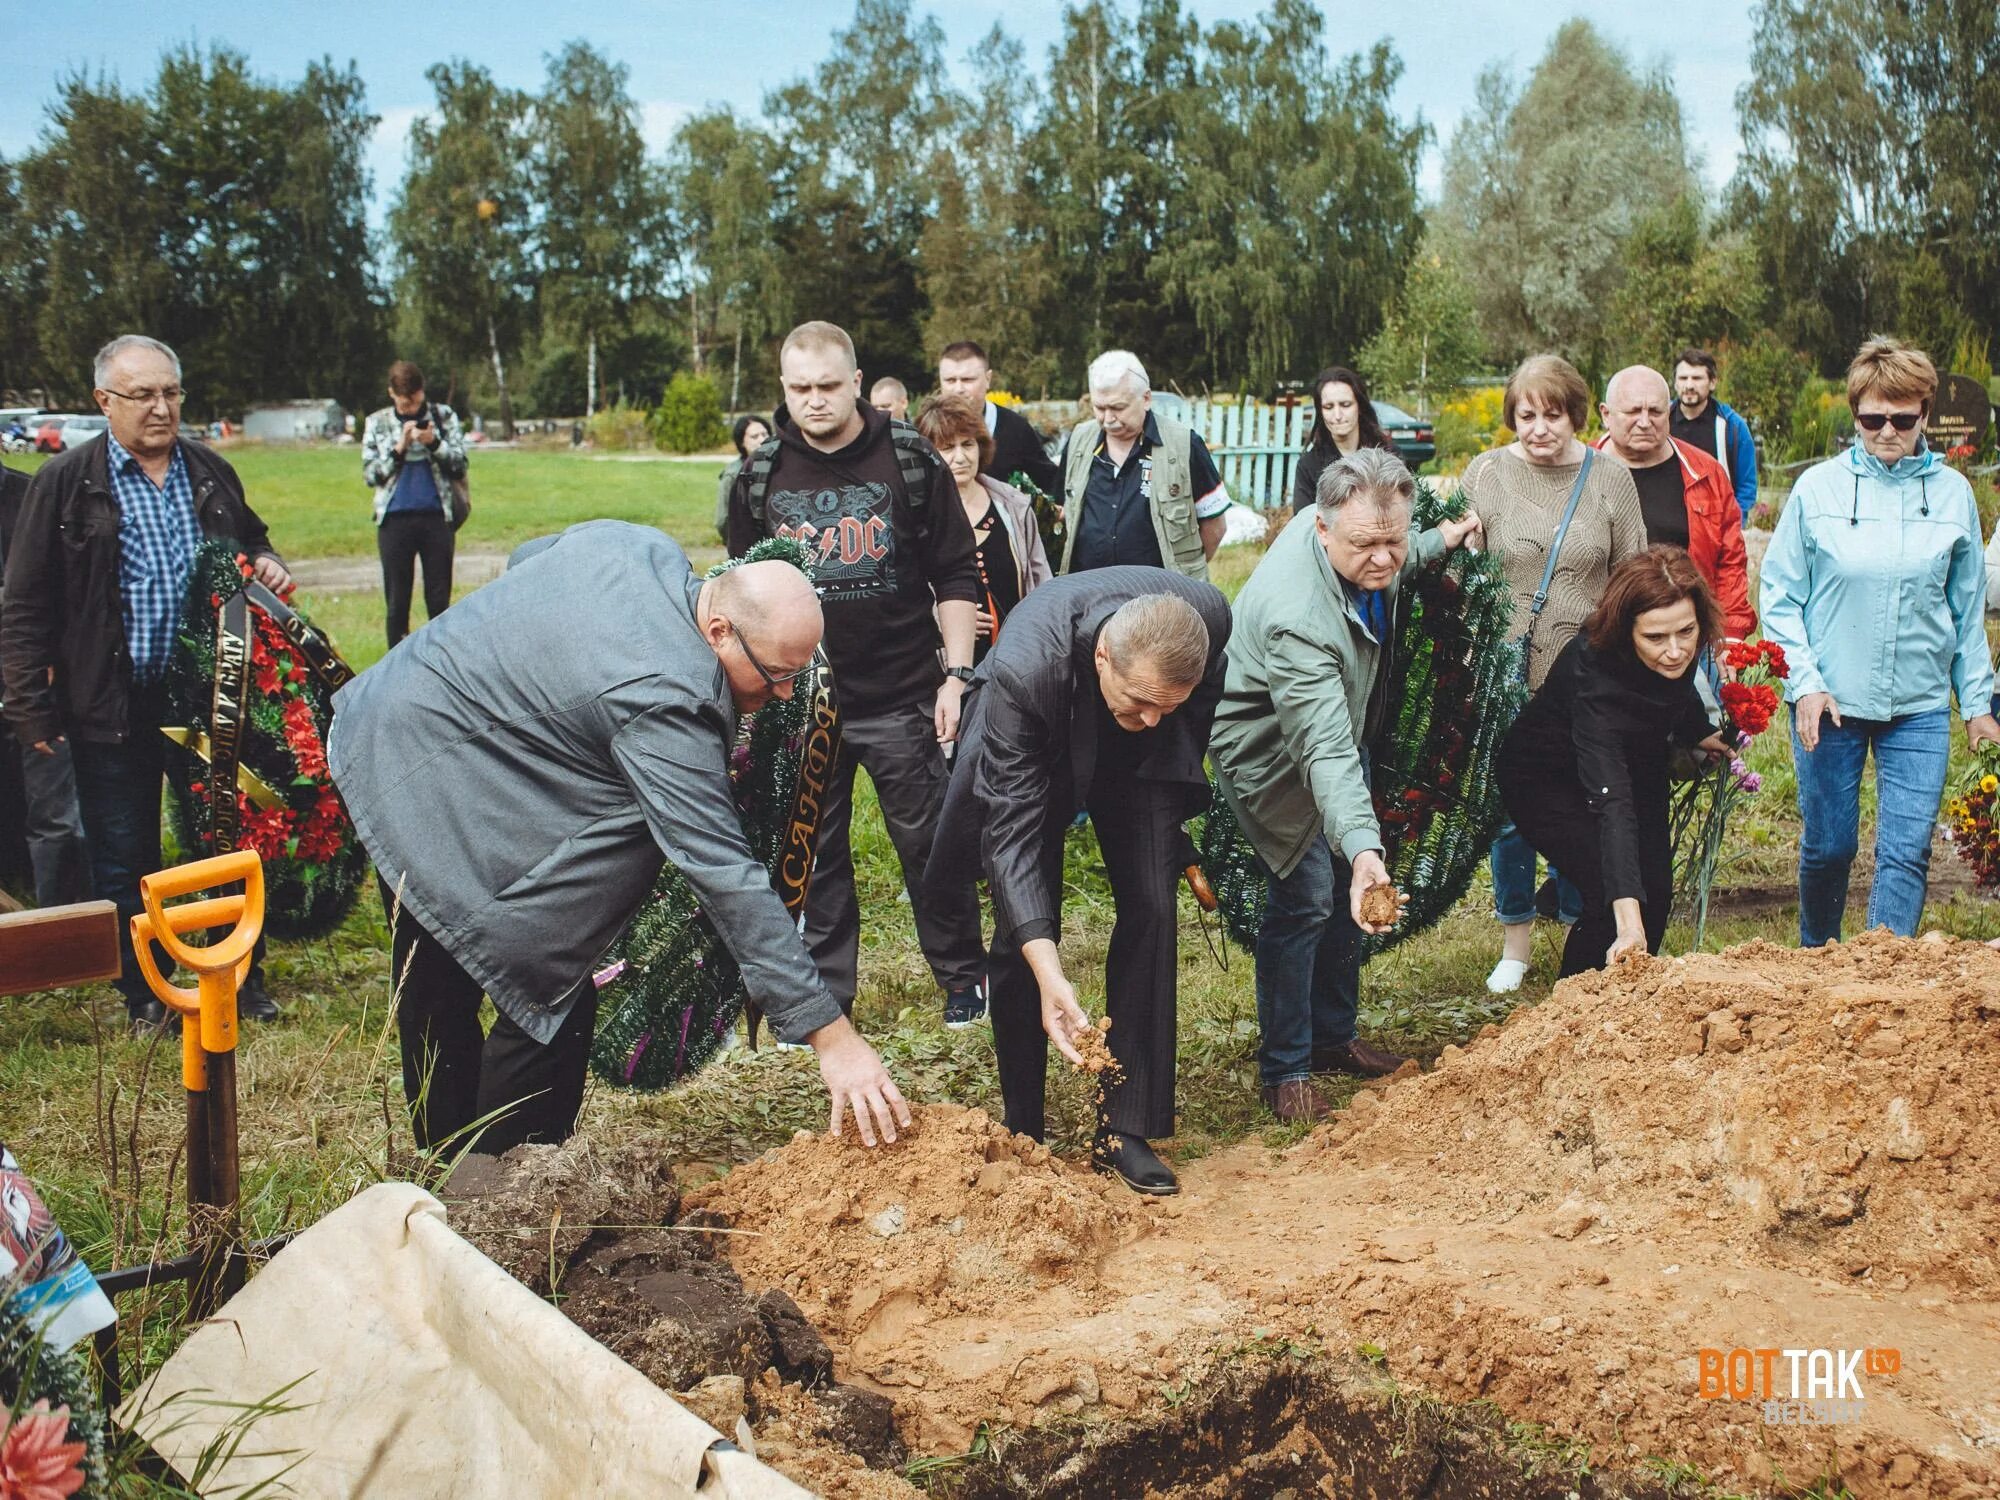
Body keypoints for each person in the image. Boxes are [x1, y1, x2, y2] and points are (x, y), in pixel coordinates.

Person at [328, 525, 911, 1155]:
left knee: (436, 979)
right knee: (548, 995)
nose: (784, 695)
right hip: (424, 776)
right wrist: (831, 1035)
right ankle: (497, 1193)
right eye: (775, 675)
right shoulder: (668, 697)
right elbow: (720, 869)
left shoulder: (639, 547)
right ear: (719, 631)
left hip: (384, 723)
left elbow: (527, 557)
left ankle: (439, 1169)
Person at [1, 335, 292, 1030]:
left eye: (171, 392)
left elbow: (252, 539)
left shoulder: (210, 471)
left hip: (207, 700)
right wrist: (33, 712)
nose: (161, 408)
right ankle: (146, 995)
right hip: (110, 707)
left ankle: (236, 979)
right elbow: (25, 606)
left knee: (223, 845)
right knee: (125, 853)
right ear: (104, 401)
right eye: (142, 395)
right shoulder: (63, 483)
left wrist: (267, 560)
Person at [927, 576, 1231, 1196]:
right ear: (1103, 658)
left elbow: (1170, 717)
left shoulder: (1207, 625)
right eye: (1142, 699)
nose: (1149, 718)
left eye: (1165, 705)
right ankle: (1024, 1130)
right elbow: (1010, 836)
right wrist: (1052, 973)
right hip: (1041, 730)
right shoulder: (1023, 670)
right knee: (1022, 927)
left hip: (1139, 764)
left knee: (1152, 900)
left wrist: (1157, 723)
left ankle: (1124, 1130)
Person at [727, 322, 988, 1028]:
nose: (814, 401)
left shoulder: (908, 459)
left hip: (903, 693)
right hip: (803, 701)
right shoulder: (758, 476)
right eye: (799, 389)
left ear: (855, 381)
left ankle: (965, 978)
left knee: (928, 847)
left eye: (828, 387)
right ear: (783, 388)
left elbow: (956, 572)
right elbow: (737, 596)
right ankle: (825, 997)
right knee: (812, 855)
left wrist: (957, 676)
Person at [1215, 448, 1483, 1120]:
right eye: (1368, 545)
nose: (1384, 560)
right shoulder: (1297, 621)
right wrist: (1367, 852)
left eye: (1395, 540)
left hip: (1336, 728)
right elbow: (1324, 752)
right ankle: (1285, 1070)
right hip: (1270, 752)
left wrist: (1432, 542)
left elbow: (1389, 555)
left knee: (1341, 893)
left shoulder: (1358, 536)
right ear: (1323, 531)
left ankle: (1334, 1036)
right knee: (1306, 895)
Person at [1759, 336, 1998, 946]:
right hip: (1830, 701)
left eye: (1902, 418)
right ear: (1854, 414)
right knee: (1829, 847)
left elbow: (1966, 611)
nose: (1887, 431)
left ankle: (1882, 973)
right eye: (1872, 418)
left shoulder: (1952, 497)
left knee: (1907, 850)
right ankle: (1817, 957)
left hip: (1918, 706)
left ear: (1925, 412)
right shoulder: (1818, 491)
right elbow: (1781, 597)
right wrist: (1805, 684)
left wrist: (1976, 705)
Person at [1459, 354, 1648, 995]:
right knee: (1513, 811)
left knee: (1584, 801)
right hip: (1506, 671)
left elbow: (1635, 577)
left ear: (1577, 414)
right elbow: (1462, 572)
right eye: (1526, 415)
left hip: (1586, 676)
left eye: (1553, 414)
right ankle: (1515, 940)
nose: (1539, 428)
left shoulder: (1610, 478)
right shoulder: (1486, 473)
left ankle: (1580, 922)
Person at [1499, 547, 1727, 977]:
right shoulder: (1593, 674)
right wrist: (1627, 923)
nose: (1676, 651)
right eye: (1655, 639)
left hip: (1636, 759)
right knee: (1612, 895)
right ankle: (1575, 1012)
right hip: (1546, 779)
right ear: (1627, 631)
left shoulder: (1676, 633)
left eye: (1687, 632)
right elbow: (1612, 801)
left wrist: (1698, 729)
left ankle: (1629, 1008)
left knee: (1655, 893)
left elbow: (1676, 687)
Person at [1595, 366, 1755, 643]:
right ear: (1606, 415)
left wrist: (1730, 635)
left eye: (1655, 412)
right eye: (1633, 412)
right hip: (1604, 639)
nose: (1645, 422)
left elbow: (1730, 561)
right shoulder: (1579, 473)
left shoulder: (1705, 473)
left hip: (1685, 641)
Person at [0, 461, 89, 910]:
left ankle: (64, 918)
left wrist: (53, 655)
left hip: (36, 677)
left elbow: (70, 585)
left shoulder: (32, 496)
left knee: (55, 810)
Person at [1057, 351, 1231, 579]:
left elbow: (1215, 527)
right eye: (1099, 408)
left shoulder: (1185, 445)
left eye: (1118, 408)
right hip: (1089, 596)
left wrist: (1186, 571)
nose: (1108, 418)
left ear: (1146, 399)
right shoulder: (1079, 441)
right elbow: (1061, 511)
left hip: (1161, 599)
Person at [915, 395, 1052, 666]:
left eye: (968, 444)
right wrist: (946, 618)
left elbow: (1042, 582)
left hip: (1017, 661)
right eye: (946, 447)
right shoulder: (916, 515)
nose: (960, 457)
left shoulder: (1014, 506)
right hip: (946, 667)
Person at [362, 361, 468, 650]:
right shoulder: (378, 422)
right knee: (397, 602)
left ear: (423, 392)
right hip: (394, 521)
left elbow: (460, 465)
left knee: (439, 601)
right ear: (391, 395)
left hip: (437, 518)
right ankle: (396, 669)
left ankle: (442, 666)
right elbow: (371, 475)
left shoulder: (443, 417)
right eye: (404, 403)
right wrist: (399, 448)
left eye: (415, 401)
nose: (410, 409)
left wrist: (435, 443)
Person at [937, 340, 1061, 495]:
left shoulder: (1016, 429)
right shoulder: (926, 432)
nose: (958, 389)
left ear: (988, 379)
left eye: (968, 380)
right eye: (950, 380)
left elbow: (1051, 482)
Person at [1289, 365, 1397, 514]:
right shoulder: (1309, 466)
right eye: (1328, 407)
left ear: (1359, 407)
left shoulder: (1389, 455)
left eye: (1345, 405)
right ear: (1320, 412)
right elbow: (1304, 526)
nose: (1337, 415)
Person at [1670, 348, 1759, 523]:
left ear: (1712, 382)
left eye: (1697, 378)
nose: (1689, 385)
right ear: (1675, 383)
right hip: (1667, 524)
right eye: (1683, 378)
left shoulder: (1733, 427)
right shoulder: (1660, 421)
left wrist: (1733, 525)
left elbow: (1746, 487)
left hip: (1713, 527)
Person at [716, 414, 771, 545]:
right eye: (754, 436)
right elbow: (723, 520)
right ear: (741, 441)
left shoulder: (779, 467)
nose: (762, 440)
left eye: (765, 434)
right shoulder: (733, 474)